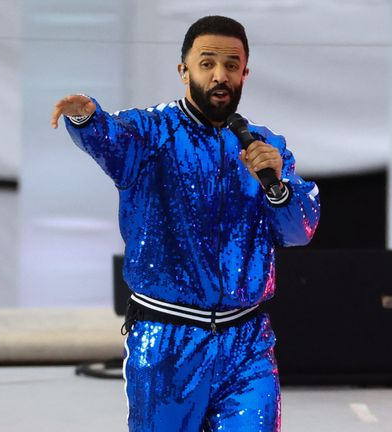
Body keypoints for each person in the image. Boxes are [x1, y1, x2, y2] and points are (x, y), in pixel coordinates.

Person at [50, 15, 320, 432]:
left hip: (247, 342)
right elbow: (112, 140)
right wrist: (87, 120)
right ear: (184, 70)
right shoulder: (151, 133)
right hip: (167, 340)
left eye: (231, 65)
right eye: (207, 63)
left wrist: (277, 186)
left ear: (245, 72)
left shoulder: (266, 146)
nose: (220, 75)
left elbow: (298, 231)